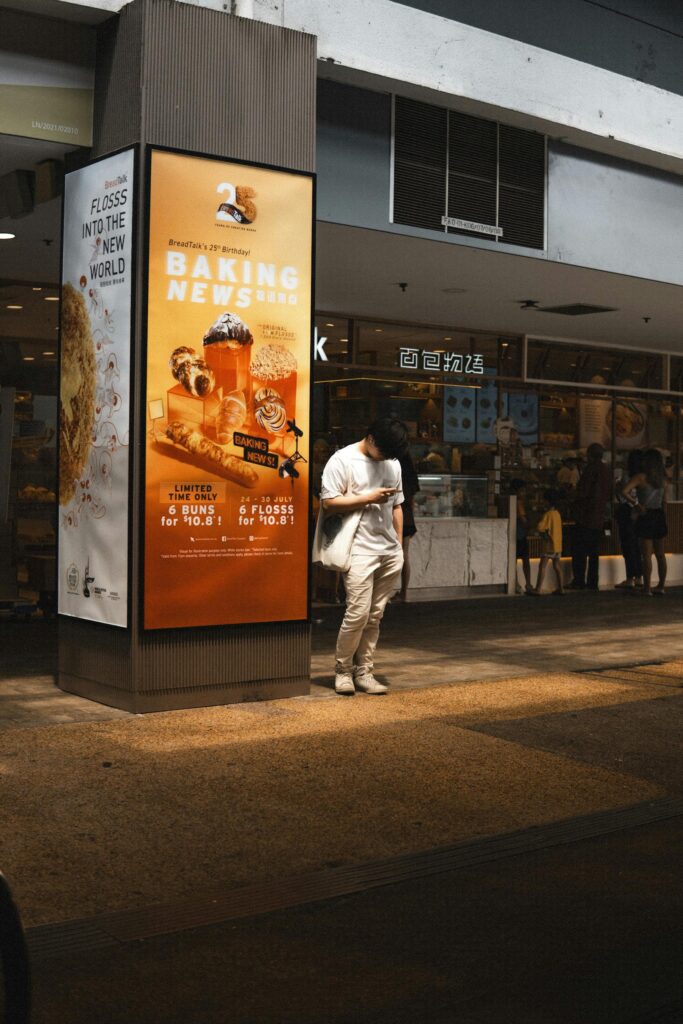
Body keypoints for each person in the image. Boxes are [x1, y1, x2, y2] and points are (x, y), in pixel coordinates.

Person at [320, 417, 407, 695]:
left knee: (375, 616)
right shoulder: (342, 460)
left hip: (389, 550)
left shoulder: (392, 462)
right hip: (358, 548)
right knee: (357, 613)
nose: (386, 459)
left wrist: (398, 545)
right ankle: (342, 671)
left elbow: (397, 506)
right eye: (383, 451)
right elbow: (329, 503)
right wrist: (368, 497)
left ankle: (364, 672)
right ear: (369, 438)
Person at [621, 448, 668, 596]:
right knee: (661, 554)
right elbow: (664, 502)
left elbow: (624, 492)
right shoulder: (663, 479)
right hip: (659, 514)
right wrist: (664, 517)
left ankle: (647, 588)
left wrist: (636, 504)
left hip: (646, 515)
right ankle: (661, 586)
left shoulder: (640, 477)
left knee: (646, 555)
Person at [570, 443, 611, 590]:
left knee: (579, 550)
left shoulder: (590, 469)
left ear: (590, 455)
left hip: (585, 515)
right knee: (594, 552)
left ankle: (579, 580)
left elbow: (583, 492)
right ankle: (593, 581)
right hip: (598, 517)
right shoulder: (605, 470)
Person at [614, 449, 644, 590]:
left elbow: (622, 493)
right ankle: (639, 577)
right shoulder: (644, 477)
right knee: (637, 546)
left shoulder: (627, 476)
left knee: (627, 544)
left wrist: (632, 503)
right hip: (639, 512)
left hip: (627, 511)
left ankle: (630, 577)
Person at [528, 489, 564, 596]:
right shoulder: (557, 514)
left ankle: (538, 589)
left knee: (542, 566)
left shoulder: (548, 514)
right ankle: (561, 588)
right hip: (558, 545)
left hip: (549, 545)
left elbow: (540, 527)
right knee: (557, 566)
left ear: (548, 501)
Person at [396, 448, 420, 601]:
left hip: (393, 514)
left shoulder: (392, 469)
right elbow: (412, 500)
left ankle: (382, 593)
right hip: (407, 517)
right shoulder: (411, 473)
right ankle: (404, 593)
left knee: (390, 555)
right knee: (404, 555)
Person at [510, 478, 532, 594]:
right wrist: (530, 526)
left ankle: (517, 583)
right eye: (522, 491)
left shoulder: (511, 502)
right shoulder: (518, 503)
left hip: (516, 535)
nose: (524, 493)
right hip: (520, 535)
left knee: (515, 561)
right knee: (525, 560)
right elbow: (523, 519)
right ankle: (527, 583)